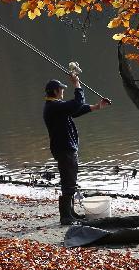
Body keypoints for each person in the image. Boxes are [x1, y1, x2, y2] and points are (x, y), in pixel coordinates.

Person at [43, 73, 111, 225]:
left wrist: (96, 107)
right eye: (61, 89)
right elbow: (76, 103)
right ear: (55, 91)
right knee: (69, 181)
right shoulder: (53, 106)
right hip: (64, 148)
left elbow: (75, 110)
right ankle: (66, 217)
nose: (63, 91)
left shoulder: (56, 106)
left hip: (65, 148)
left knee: (70, 180)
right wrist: (77, 84)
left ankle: (70, 212)